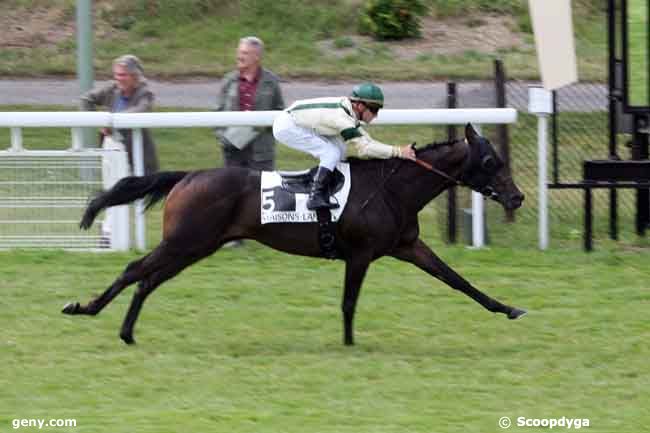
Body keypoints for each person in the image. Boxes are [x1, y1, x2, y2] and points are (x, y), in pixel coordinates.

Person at [272, 82, 417, 210]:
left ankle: (333, 187)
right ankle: (315, 196)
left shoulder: (348, 110)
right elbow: (365, 149)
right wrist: (398, 151)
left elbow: (367, 140)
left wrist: (399, 150)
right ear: (360, 106)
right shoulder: (342, 119)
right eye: (374, 110)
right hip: (287, 126)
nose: (375, 115)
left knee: (340, 150)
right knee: (331, 153)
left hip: (301, 121)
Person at [214, 36, 285, 171]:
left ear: (256, 57)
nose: (239, 56)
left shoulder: (271, 82)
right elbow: (216, 113)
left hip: (261, 152)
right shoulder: (228, 80)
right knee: (232, 190)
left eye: (245, 53)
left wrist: (264, 129)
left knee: (260, 189)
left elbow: (280, 112)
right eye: (239, 52)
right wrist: (223, 138)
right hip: (232, 150)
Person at [81, 54, 159, 175]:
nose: (118, 78)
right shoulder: (111, 88)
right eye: (116, 74)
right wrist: (99, 122)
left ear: (135, 76)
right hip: (111, 147)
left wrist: (110, 122)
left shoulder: (145, 93)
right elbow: (86, 99)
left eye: (123, 75)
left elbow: (140, 111)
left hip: (138, 152)